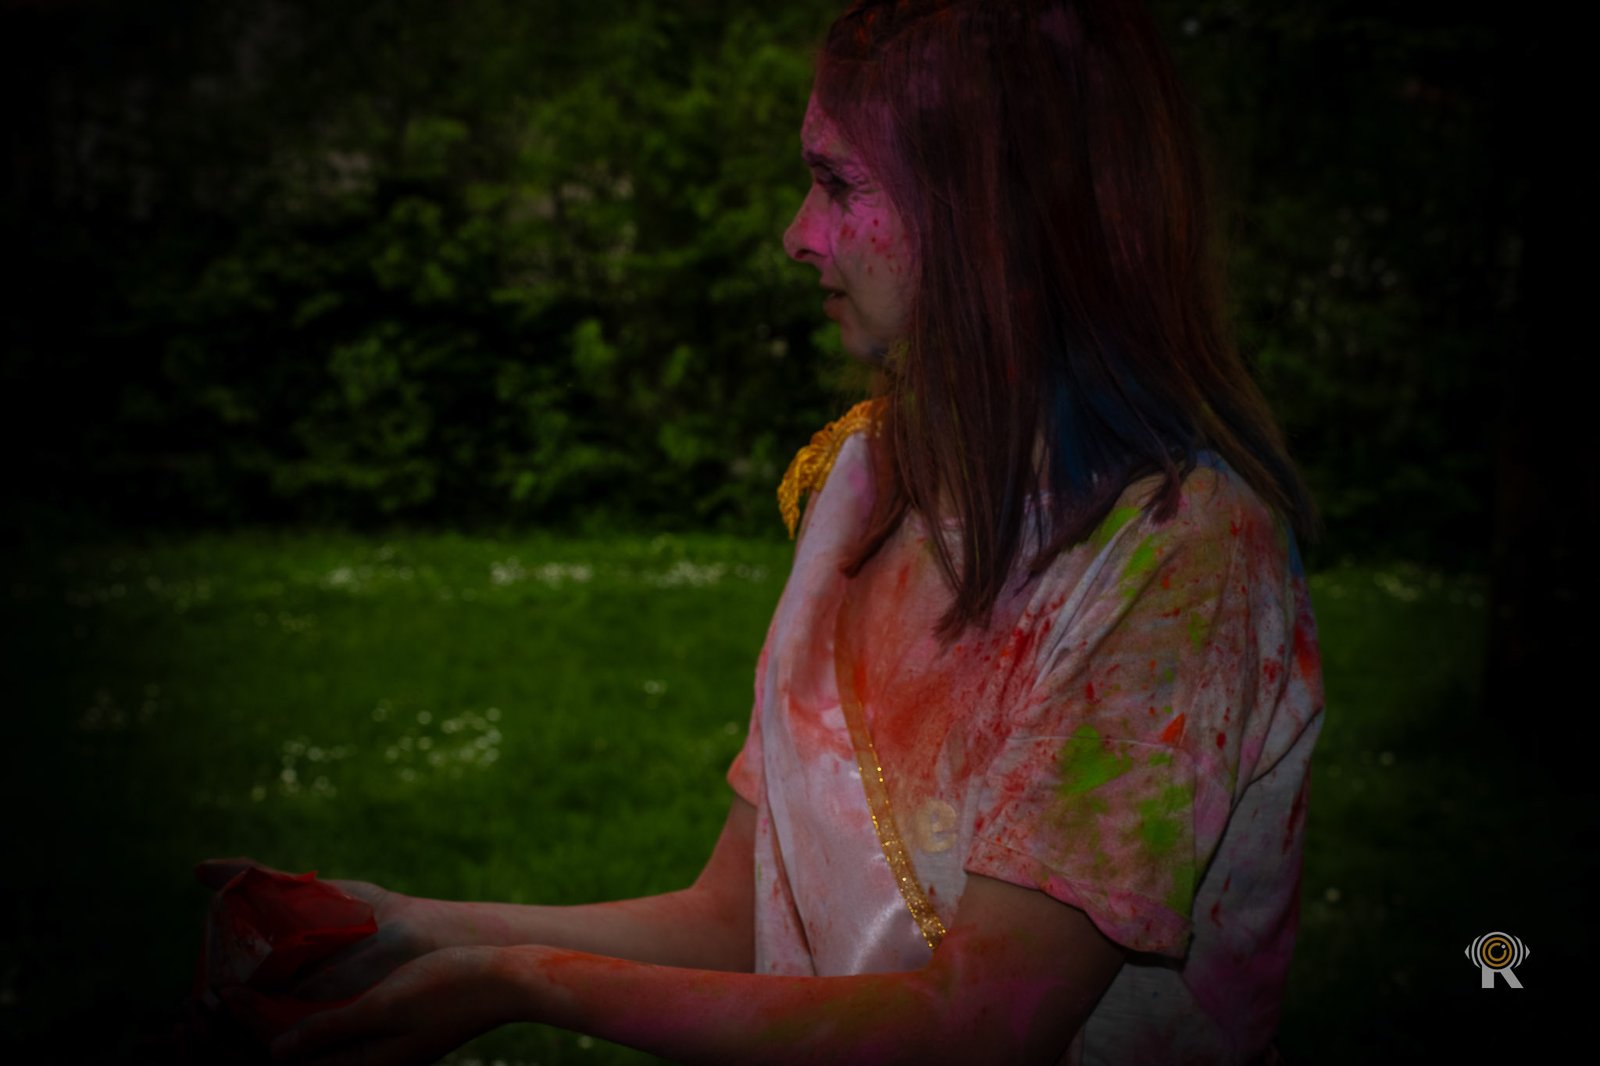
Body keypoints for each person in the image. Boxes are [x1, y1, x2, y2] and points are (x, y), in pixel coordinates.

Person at [197, 1, 1323, 1062]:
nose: (795, 235)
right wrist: (409, 930)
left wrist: (519, 984)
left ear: (995, 212)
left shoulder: (1183, 557)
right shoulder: (866, 482)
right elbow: (742, 918)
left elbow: (980, 1028)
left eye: (837, 184)